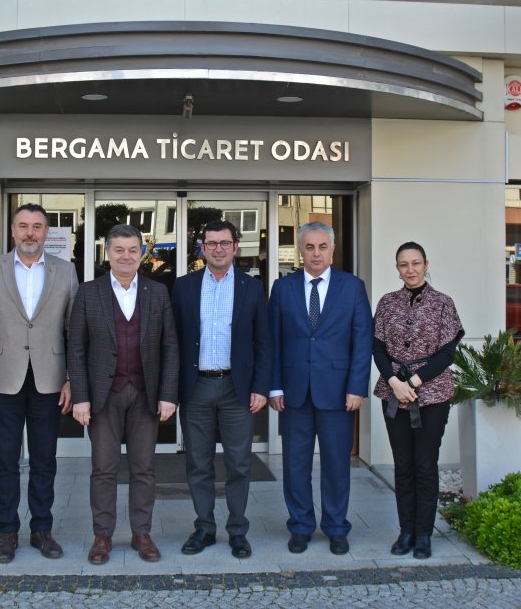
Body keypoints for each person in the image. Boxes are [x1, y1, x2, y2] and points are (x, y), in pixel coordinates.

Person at [0, 203, 79, 563]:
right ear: (13, 230)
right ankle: (7, 532)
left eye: (37, 226)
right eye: (23, 226)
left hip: (50, 380)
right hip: (1, 382)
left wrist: (71, 379)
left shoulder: (66, 271)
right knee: (5, 461)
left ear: (46, 232)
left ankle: (41, 530)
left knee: (45, 460)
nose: (30, 232)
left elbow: (75, 331)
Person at [68, 224, 179, 565]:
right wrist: (81, 396)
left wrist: (168, 394)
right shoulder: (88, 293)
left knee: (144, 468)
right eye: (119, 249)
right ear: (107, 253)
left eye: (133, 250)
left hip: (146, 394)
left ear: (142, 254)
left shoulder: (157, 292)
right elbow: (76, 348)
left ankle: (141, 533)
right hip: (104, 395)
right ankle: (102, 535)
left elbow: (170, 346)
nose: (126, 256)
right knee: (103, 468)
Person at [268, 221, 373, 556]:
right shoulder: (282, 288)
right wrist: (274, 387)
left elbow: (363, 341)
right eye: (310, 247)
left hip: (339, 393)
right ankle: (300, 526)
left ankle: (336, 527)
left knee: (336, 466)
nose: (316, 253)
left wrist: (357, 387)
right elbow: (272, 341)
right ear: (301, 250)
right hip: (294, 393)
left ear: (333, 249)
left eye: (322, 247)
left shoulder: (352, 287)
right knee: (295, 465)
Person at [172, 220, 271, 559]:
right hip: (196, 387)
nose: (218, 249)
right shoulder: (183, 286)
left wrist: (260, 387)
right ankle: (204, 527)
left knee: (239, 464)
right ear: (202, 248)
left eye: (224, 243)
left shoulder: (251, 287)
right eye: (211, 243)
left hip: (236, 388)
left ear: (235, 247)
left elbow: (263, 341)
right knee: (198, 464)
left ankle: (237, 531)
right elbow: (172, 341)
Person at [372, 241, 464, 560]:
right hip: (393, 393)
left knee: (425, 464)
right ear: (397, 269)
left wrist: (413, 381)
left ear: (426, 264)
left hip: (433, 396)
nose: (410, 269)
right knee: (403, 465)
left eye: (415, 263)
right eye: (403, 264)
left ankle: (424, 533)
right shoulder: (387, 303)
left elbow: (447, 354)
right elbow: (377, 349)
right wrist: (394, 382)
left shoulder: (443, 303)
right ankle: (406, 531)